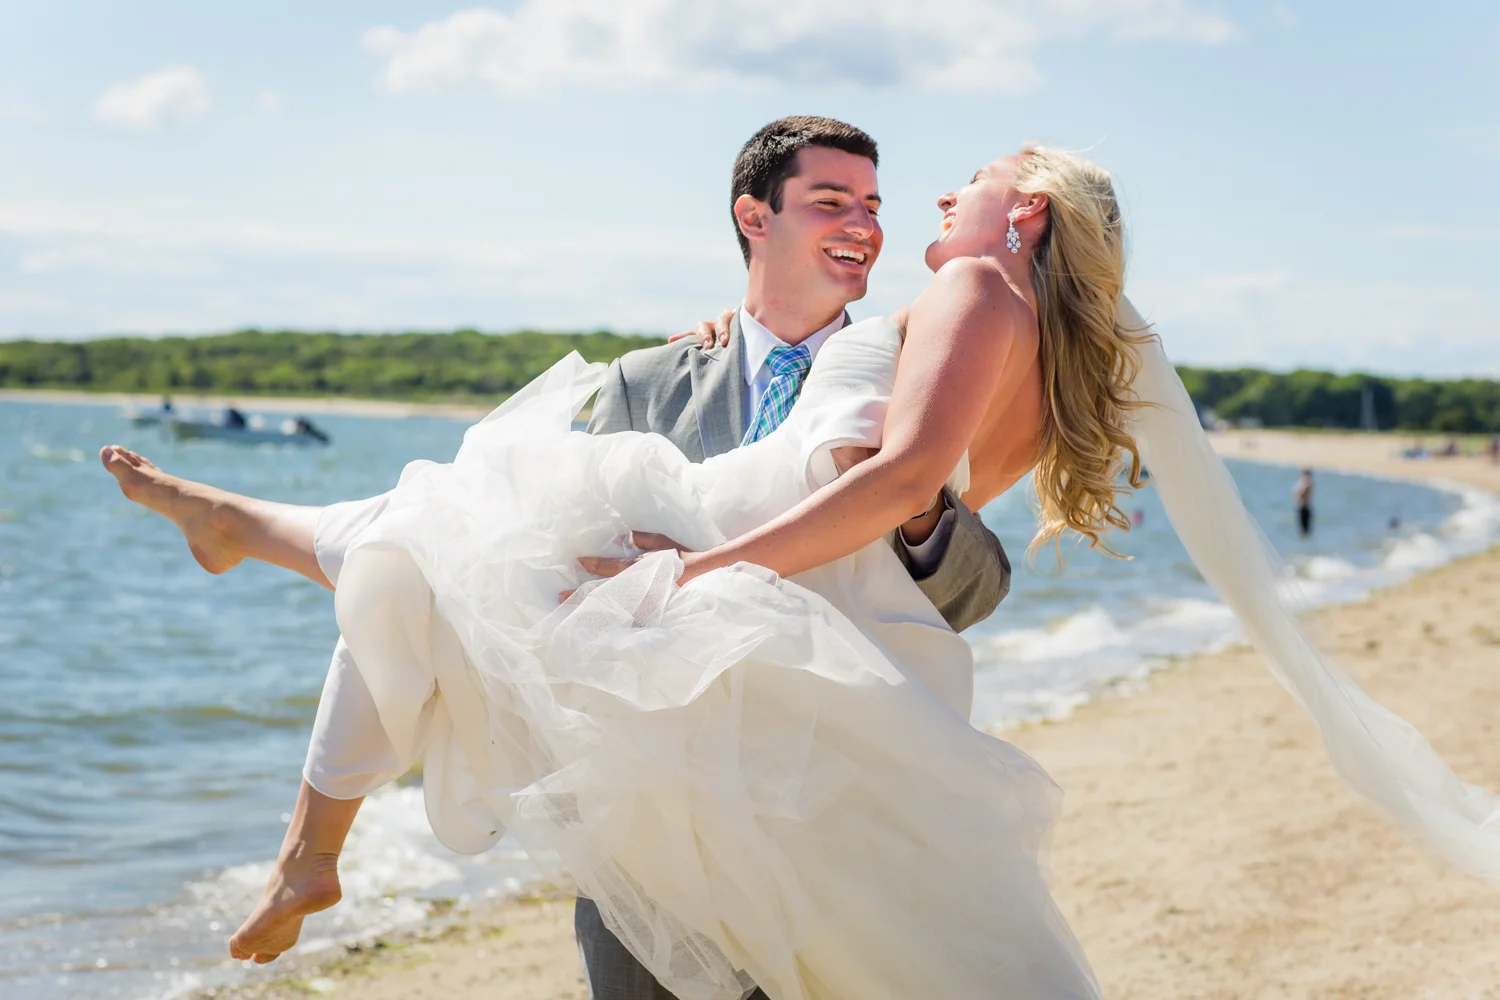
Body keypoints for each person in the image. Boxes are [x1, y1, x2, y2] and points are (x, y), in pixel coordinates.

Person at [102, 143, 1500, 998]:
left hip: (731, 534)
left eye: (979, 188)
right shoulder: (1055, 364)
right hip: (791, 590)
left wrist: (708, 573)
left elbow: (896, 488)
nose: (949, 198)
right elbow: (907, 483)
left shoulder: (978, 289)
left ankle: (285, 745)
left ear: (1029, 225)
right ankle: (240, 549)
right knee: (431, 550)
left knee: (435, 544)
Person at [103, 118, 1011, 995]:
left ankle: (253, 557)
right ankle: (306, 805)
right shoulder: (643, 380)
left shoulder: (904, 370)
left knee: (423, 538)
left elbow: (971, 593)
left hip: (824, 808)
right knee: (446, 550)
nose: (864, 224)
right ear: (754, 216)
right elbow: (547, 571)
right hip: (648, 829)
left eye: (872, 203)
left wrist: (919, 506)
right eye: (831, 200)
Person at [1293, 467, 1314, 537]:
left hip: (1304, 507)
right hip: (1302, 506)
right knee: (1302, 529)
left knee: (1305, 530)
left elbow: (1302, 493)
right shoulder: (1305, 482)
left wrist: (1298, 493)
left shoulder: (1307, 482)